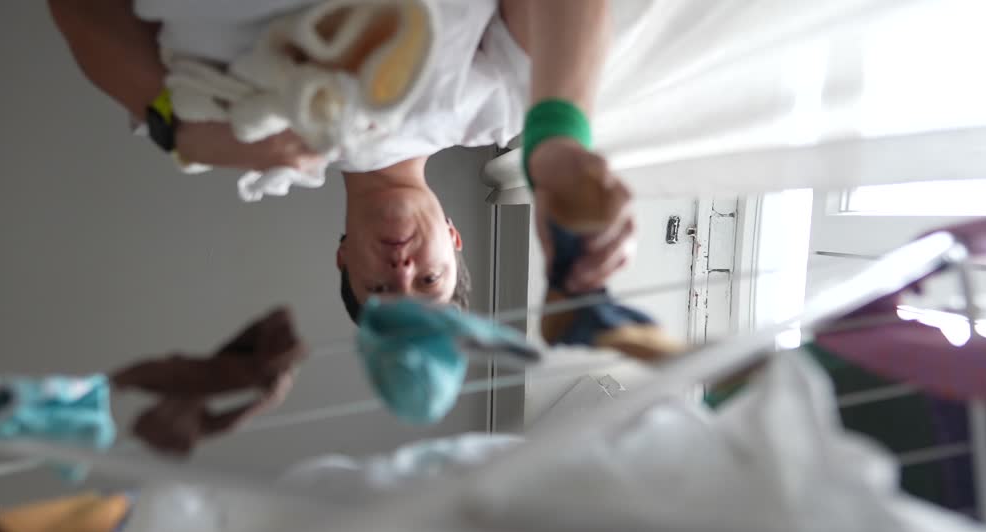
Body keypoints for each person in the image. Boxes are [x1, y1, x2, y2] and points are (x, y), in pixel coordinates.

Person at [48, 0, 638, 322]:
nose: (403, 269)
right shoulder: (491, 108)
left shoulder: (251, 148)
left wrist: (178, 130)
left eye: (380, 287)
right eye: (428, 280)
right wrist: (559, 141)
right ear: (454, 239)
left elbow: (77, 11)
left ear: (343, 256)